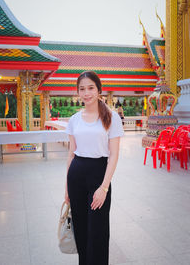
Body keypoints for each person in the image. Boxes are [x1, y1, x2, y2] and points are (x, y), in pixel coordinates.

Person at [65, 71, 124, 265]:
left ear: (99, 90)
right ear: (78, 92)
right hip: (77, 174)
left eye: (90, 88)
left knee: (98, 231)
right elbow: (71, 154)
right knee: (80, 228)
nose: (86, 93)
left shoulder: (111, 117)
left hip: (99, 174)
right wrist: (66, 188)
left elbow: (114, 154)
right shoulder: (74, 120)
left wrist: (104, 187)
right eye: (82, 89)